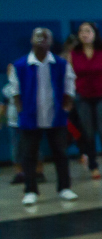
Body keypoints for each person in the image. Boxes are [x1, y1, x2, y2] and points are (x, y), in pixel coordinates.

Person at [9, 28, 79, 205]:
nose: (41, 40)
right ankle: (30, 190)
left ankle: (65, 188)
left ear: (51, 41)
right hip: (30, 117)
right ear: (31, 40)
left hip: (55, 116)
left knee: (61, 153)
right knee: (29, 155)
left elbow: (70, 86)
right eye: (37, 37)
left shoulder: (61, 64)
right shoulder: (20, 65)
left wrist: (66, 107)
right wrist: (21, 111)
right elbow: (15, 91)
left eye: (45, 37)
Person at [70, 21, 102, 180]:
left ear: (94, 34)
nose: (84, 34)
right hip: (83, 98)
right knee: (88, 133)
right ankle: (93, 166)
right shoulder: (74, 54)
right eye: (81, 31)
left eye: (88, 31)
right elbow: (68, 78)